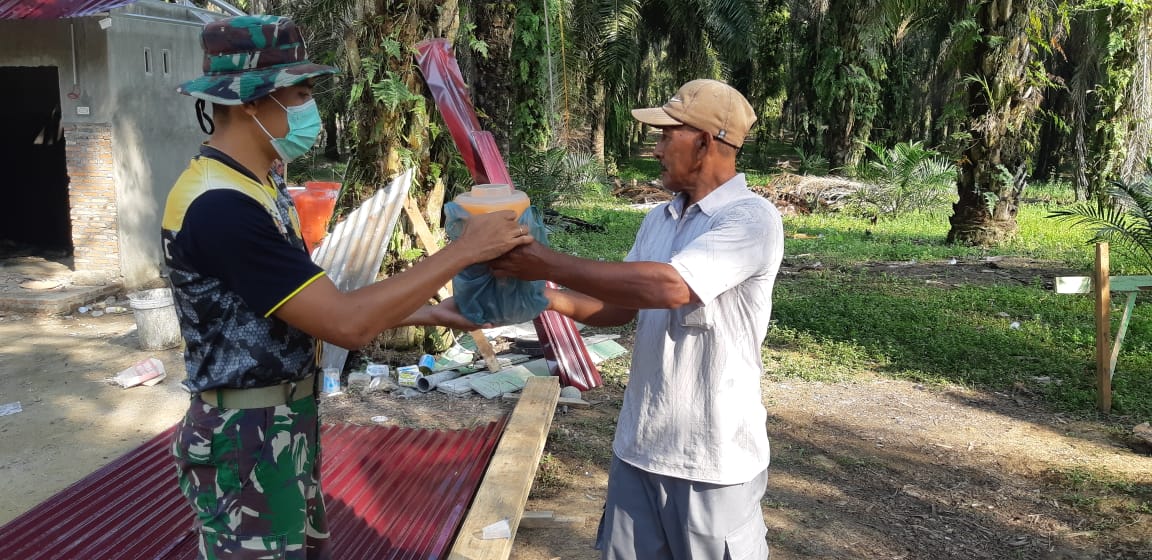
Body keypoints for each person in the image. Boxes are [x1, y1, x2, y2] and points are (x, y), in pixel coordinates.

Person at [163, 15, 531, 560]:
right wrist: (464, 250)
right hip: (247, 433)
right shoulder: (221, 206)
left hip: (280, 424)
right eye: (301, 94)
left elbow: (307, 307)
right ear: (249, 101)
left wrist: (433, 315)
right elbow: (345, 322)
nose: (310, 110)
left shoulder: (257, 187)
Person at [491, 79, 783, 559]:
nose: (657, 147)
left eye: (668, 135)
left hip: (714, 460)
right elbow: (623, 306)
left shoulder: (751, 219)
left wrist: (545, 261)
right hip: (641, 446)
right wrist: (545, 297)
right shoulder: (659, 220)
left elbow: (670, 287)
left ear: (705, 142)